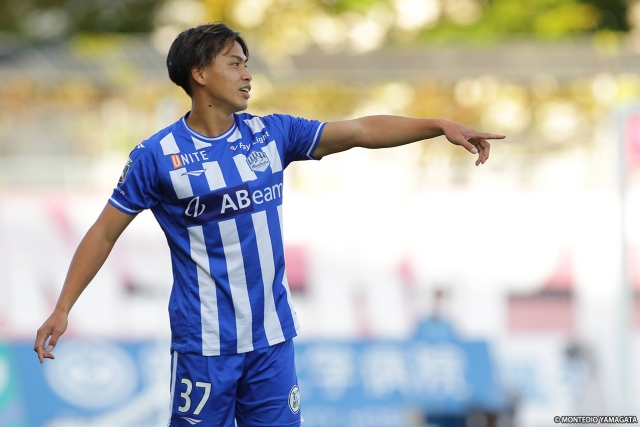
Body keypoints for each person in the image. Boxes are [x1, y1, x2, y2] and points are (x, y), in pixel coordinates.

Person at [34, 22, 505, 427]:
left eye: (247, 64)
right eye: (235, 63)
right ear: (200, 73)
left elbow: (360, 130)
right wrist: (63, 307)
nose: (247, 74)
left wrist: (436, 125)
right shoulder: (157, 156)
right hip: (205, 345)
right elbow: (105, 232)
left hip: (272, 340)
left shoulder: (272, 133)